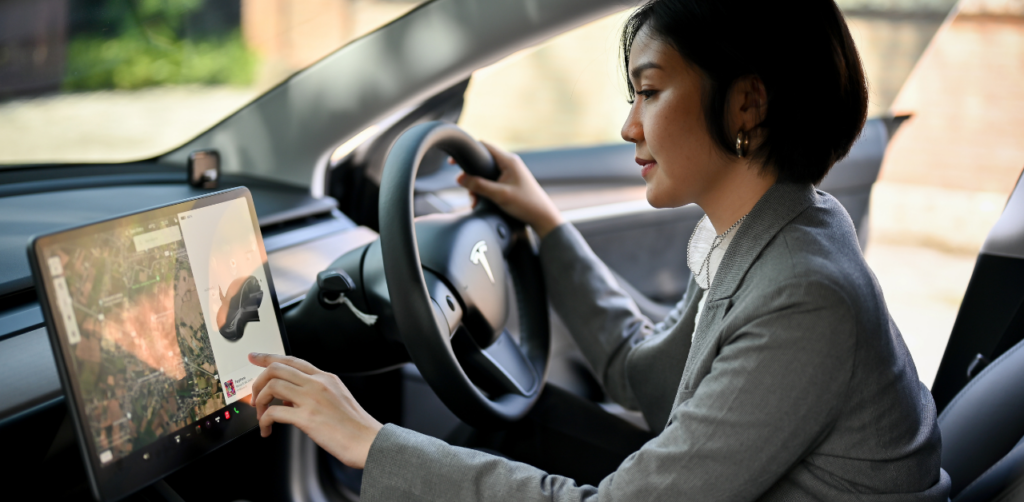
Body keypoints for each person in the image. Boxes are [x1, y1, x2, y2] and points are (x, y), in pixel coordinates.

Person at [246, 0, 951, 499]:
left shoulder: (804, 295)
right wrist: (548, 228)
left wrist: (370, 444)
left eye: (648, 91)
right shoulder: (775, 233)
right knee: (528, 423)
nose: (627, 126)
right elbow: (639, 375)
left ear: (746, 106)